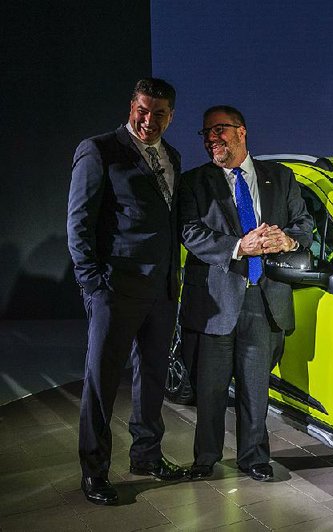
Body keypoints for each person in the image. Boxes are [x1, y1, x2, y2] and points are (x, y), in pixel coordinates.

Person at [67, 78, 188, 505]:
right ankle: (95, 472)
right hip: (114, 289)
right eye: (142, 109)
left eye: (158, 113)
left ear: (170, 117)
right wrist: (93, 286)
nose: (148, 120)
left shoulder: (172, 155)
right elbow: (78, 223)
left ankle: (147, 456)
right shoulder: (99, 149)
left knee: (152, 379)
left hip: (161, 291)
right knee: (100, 383)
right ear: (131, 106)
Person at [179, 105, 312, 481]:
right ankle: (205, 459)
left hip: (264, 299)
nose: (211, 139)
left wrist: (288, 239)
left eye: (219, 130)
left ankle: (253, 458)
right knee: (210, 391)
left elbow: (303, 224)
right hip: (216, 301)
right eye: (205, 133)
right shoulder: (193, 182)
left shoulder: (280, 177)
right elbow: (191, 233)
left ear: (242, 132)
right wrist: (240, 246)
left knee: (256, 389)